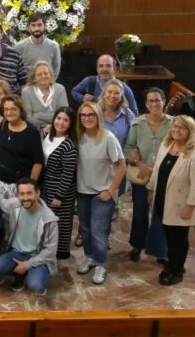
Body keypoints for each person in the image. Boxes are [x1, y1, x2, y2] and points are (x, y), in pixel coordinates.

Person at [147, 115, 195, 286]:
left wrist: (190, 207)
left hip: (181, 205)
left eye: (182, 127)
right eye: (175, 126)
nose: (177, 130)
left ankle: (177, 271)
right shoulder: (167, 145)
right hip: (163, 201)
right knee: (169, 237)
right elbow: (157, 170)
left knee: (178, 240)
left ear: (190, 131)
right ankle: (172, 264)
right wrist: (151, 189)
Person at [75, 101, 126, 286]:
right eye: (83, 115)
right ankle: (90, 257)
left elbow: (121, 166)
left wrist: (111, 191)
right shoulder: (78, 136)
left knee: (98, 230)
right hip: (82, 191)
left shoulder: (107, 138)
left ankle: (101, 264)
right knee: (86, 228)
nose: (87, 118)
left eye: (91, 115)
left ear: (98, 117)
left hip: (102, 193)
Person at [124, 88, 173, 263]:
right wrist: (138, 162)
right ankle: (138, 244)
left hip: (165, 177)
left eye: (157, 100)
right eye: (150, 101)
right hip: (142, 176)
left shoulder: (173, 124)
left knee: (161, 214)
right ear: (145, 104)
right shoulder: (137, 123)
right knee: (139, 212)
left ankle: (161, 251)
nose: (154, 104)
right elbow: (128, 148)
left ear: (164, 101)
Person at [0, 178, 59, 295]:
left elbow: (50, 252)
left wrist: (27, 265)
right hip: (16, 253)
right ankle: (20, 274)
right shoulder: (14, 205)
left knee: (36, 287)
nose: (25, 198)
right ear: (18, 195)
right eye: (22, 194)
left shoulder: (49, 219)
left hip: (38, 257)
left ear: (38, 193)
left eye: (29, 193)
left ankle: (31, 274)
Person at [41, 107, 77, 260]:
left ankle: (60, 253)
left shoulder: (69, 145)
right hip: (47, 186)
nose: (60, 123)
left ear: (71, 124)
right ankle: (48, 250)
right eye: (58, 118)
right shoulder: (49, 136)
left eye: (65, 120)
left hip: (61, 190)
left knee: (60, 222)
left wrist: (59, 196)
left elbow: (68, 174)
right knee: (48, 221)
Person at [0, 96, 44, 202]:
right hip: (0, 181)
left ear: (21, 110)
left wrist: (30, 187)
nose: (9, 112)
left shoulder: (31, 132)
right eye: (6, 109)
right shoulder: (4, 124)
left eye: (13, 109)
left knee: (16, 217)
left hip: (19, 186)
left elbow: (38, 162)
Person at [71, 54, 138, 115]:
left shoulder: (124, 88)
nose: (104, 69)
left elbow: (134, 111)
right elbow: (74, 91)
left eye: (108, 66)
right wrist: (82, 98)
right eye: (101, 66)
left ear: (114, 69)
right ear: (97, 69)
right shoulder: (89, 81)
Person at [21, 61, 69, 133]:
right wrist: (53, 120)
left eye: (46, 73)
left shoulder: (60, 89)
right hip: (34, 132)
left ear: (50, 75)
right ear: (34, 78)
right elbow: (28, 119)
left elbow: (65, 116)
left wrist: (40, 115)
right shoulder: (26, 92)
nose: (43, 76)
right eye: (39, 74)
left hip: (58, 132)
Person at [14, 13, 61, 79]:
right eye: (33, 25)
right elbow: (15, 70)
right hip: (26, 86)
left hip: (46, 86)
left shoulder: (54, 46)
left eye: (39, 25)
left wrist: (49, 85)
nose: (36, 28)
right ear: (28, 27)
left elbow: (56, 69)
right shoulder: (19, 47)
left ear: (45, 26)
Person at [100, 78, 134, 148]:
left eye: (117, 93)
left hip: (122, 157)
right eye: (109, 92)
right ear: (104, 94)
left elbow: (133, 141)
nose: (112, 96)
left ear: (121, 97)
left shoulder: (128, 114)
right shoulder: (95, 113)